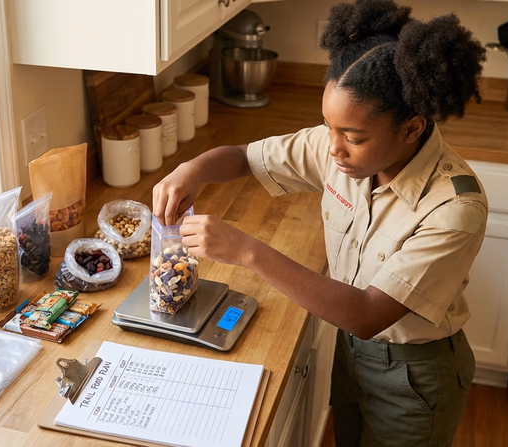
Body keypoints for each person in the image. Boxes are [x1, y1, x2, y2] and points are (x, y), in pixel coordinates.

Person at [152, 0, 487, 445]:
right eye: (328, 127)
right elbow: (242, 159)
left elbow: (367, 314)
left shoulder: (453, 208)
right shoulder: (339, 147)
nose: (333, 148)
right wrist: (190, 169)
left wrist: (246, 251)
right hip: (351, 352)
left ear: (412, 128)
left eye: (352, 137)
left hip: (416, 376)